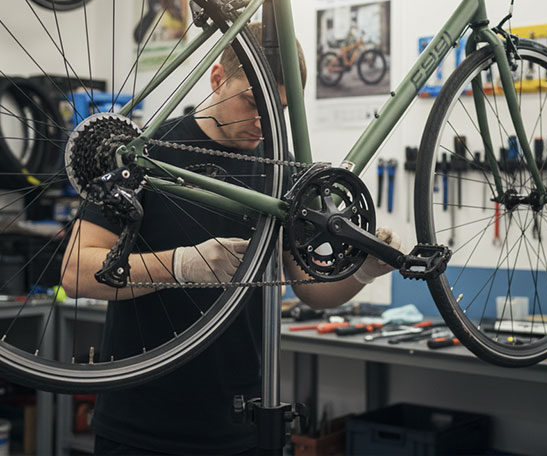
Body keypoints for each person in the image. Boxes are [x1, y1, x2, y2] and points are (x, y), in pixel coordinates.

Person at [61, 22, 399, 455]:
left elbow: (311, 289)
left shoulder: (281, 167)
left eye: (276, 110)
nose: (262, 122)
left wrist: (364, 271)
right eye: (251, 102)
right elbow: (76, 271)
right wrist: (181, 266)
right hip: (140, 425)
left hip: (242, 426)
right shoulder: (147, 150)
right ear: (217, 78)